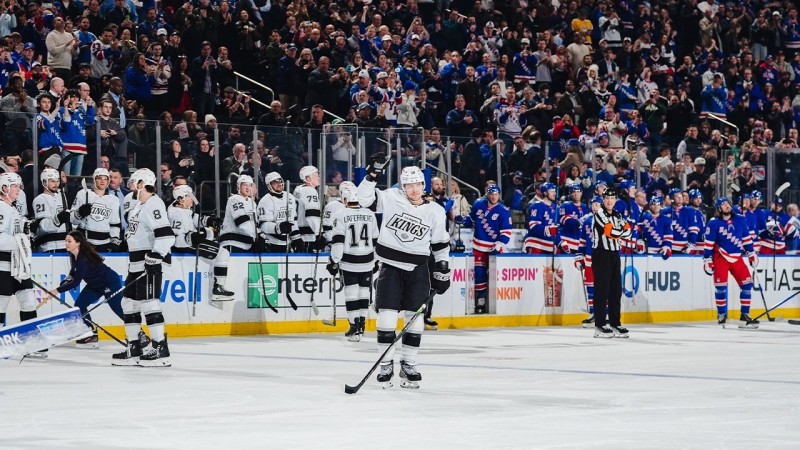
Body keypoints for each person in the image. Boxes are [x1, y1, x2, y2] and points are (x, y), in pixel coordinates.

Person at [357, 158, 450, 389]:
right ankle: (385, 364)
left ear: (423, 184)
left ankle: (409, 364)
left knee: (415, 320)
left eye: (418, 184)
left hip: (418, 271)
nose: (414, 189)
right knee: (387, 317)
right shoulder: (390, 197)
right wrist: (371, 177)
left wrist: (443, 269)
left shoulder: (435, 211)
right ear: (402, 186)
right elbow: (363, 199)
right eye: (409, 185)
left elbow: (440, 243)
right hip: (389, 267)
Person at [113, 168, 174, 367]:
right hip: (135, 264)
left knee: (149, 303)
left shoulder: (154, 204)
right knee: (129, 304)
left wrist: (156, 255)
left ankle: (159, 347)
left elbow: (166, 234)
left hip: (149, 264)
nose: (130, 186)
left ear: (142, 184)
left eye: (133, 182)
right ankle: (134, 346)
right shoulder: (140, 205)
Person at [48, 231, 128, 349]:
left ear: (78, 243)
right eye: (65, 241)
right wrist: (70, 276)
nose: (66, 243)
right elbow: (74, 271)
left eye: (69, 241)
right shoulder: (74, 255)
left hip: (109, 283)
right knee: (80, 305)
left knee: (118, 309)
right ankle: (91, 333)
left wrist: (56, 291)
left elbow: (76, 283)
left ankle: (139, 334)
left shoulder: (83, 259)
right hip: (94, 285)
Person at [0, 173, 46, 358]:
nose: (18, 189)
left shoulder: (12, 209)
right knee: (1, 305)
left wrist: (28, 229)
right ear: (4, 188)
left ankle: (31, 342)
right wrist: (22, 241)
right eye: (14, 186)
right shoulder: (1, 208)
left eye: (19, 185)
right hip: (3, 265)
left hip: (18, 267)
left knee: (28, 301)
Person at [327, 181, 379, 341]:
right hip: (368, 260)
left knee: (351, 293)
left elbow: (337, 242)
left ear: (344, 199)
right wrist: (376, 260)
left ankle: (353, 325)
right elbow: (376, 239)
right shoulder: (370, 214)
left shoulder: (340, 215)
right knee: (364, 292)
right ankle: (361, 326)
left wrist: (334, 261)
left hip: (349, 261)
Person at [167, 185, 233, 301]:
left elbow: (195, 220)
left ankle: (219, 287)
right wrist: (191, 238)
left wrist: (208, 220)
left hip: (190, 242)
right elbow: (176, 240)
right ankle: (218, 289)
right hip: (185, 246)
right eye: (189, 196)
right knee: (223, 253)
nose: (192, 199)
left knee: (221, 250)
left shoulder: (184, 210)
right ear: (180, 199)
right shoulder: (176, 214)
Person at [703, 197, 759, 328]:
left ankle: (744, 315)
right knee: (721, 288)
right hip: (720, 258)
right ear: (718, 208)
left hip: (737, 258)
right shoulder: (713, 223)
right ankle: (722, 314)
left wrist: (751, 253)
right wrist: (707, 260)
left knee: (747, 285)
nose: (727, 206)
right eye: (723, 204)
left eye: (728, 203)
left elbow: (746, 239)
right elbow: (708, 244)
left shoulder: (740, 219)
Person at [456, 184, 512, 314]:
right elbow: (471, 220)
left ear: (499, 195)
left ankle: (496, 304)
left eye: (496, 194)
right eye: (491, 194)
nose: (494, 197)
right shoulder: (478, 204)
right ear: (487, 194)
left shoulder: (503, 211)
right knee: (479, 274)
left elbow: (506, 232)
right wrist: (462, 220)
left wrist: (499, 244)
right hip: (479, 246)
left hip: (494, 248)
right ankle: (480, 301)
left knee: (494, 277)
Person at [591, 187, 632, 338]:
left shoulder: (618, 215)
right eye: (607, 198)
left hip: (615, 253)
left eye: (612, 198)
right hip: (601, 254)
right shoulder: (599, 214)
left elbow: (628, 232)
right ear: (603, 200)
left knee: (615, 290)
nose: (609, 201)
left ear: (615, 200)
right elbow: (611, 232)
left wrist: (619, 231)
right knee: (602, 290)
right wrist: (619, 231)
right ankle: (600, 325)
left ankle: (615, 323)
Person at [70, 168, 122, 252]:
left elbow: (114, 224)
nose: (102, 181)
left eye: (105, 178)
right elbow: (72, 220)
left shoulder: (114, 200)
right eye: (99, 178)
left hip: (104, 244)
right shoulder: (83, 194)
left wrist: (114, 240)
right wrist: (79, 213)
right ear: (94, 179)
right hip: (85, 242)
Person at [575, 196, 602, 327]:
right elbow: (583, 242)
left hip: (603, 259)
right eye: (592, 204)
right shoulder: (587, 221)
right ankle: (593, 313)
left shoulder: (609, 220)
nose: (594, 206)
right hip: (589, 259)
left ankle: (606, 314)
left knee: (604, 287)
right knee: (591, 287)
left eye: (597, 204)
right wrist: (579, 256)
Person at [257, 172, 300, 253]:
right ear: (269, 185)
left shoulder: (290, 197)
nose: (279, 184)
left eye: (280, 181)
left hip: (288, 242)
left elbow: (293, 220)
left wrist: (296, 237)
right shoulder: (265, 201)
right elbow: (263, 225)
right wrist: (278, 227)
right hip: (272, 242)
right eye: (275, 182)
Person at [31, 168, 69, 252]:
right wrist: (58, 219)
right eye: (52, 181)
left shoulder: (61, 196)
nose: (56, 184)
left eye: (57, 181)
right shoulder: (40, 199)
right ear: (44, 182)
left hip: (65, 244)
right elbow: (43, 225)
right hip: (49, 246)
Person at [220, 175, 258, 253]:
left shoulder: (253, 203)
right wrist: (258, 235)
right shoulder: (234, 199)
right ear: (238, 186)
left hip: (247, 244)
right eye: (244, 185)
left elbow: (254, 224)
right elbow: (241, 221)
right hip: (233, 243)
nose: (248, 188)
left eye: (250, 185)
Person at [294, 166, 325, 253]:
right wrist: (319, 233)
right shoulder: (310, 191)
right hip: (308, 236)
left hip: (298, 233)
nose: (318, 177)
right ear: (308, 178)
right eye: (316, 175)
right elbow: (312, 215)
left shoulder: (298, 189)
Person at [524, 182, 560, 254]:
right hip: (535, 243)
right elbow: (533, 226)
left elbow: (556, 229)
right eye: (552, 191)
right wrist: (548, 230)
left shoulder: (556, 207)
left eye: (555, 191)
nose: (554, 193)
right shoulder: (536, 206)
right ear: (545, 193)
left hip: (549, 244)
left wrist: (560, 242)